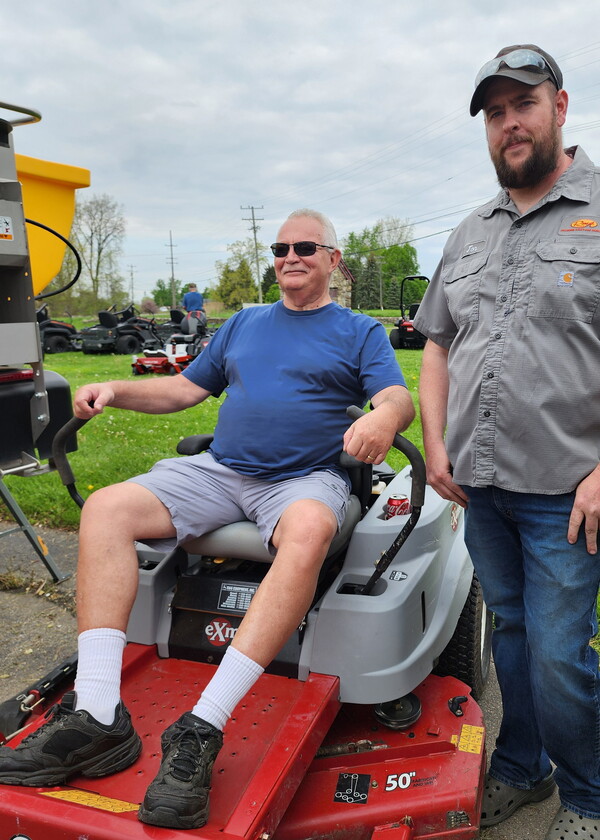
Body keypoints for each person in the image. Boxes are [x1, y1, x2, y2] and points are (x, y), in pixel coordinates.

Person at [0, 209, 414, 830]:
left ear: (333, 259)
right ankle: (97, 713)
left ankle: (202, 725)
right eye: (279, 247)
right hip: (221, 471)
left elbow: (396, 397)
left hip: (304, 479)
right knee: (109, 508)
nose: (289, 256)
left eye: (305, 246)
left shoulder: (359, 332)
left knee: (308, 532)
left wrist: (383, 420)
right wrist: (114, 388)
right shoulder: (243, 323)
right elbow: (183, 391)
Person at [414, 45, 600, 839]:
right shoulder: (470, 231)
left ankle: (588, 798)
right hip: (480, 487)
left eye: (522, 105)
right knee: (514, 641)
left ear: (560, 106)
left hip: (567, 492)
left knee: (560, 657)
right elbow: (435, 342)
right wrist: (433, 440)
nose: (509, 125)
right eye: (494, 113)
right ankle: (525, 770)